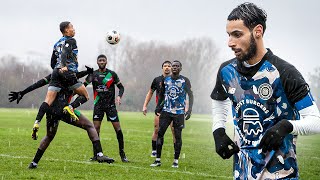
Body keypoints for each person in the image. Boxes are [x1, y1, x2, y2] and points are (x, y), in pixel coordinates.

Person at [211, 2, 320, 179]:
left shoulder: (284, 72)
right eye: (229, 35)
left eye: (237, 35)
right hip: (242, 173)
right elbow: (219, 99)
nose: (230, 42)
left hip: (282, 174)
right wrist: (218, 130)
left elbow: (316, 121)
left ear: (258, 31)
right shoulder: (226, 71)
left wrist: (287, 126)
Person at [9, 70, 114, 169]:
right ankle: (99, 154)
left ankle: (34, 162)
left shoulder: (54, 75)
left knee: (49, 136)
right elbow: (77, 79)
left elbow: (38, 84)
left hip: (51, 109)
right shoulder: (70, 76)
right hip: (64, 109)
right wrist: (88, 73)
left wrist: (22, 92)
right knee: (89, 126)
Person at [32, 21, 90, 139]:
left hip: (55, 73)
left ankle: (37, 121)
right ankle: (71, 107)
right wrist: (64, 66)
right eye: (72, 27)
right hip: (68, 71)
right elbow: (64, 52)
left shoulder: (56, 43)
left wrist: (58, 70)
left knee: (47, 101)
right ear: (66, 30)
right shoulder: (71, 40)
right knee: (85, 95)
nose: (74, 29)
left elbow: (52, 62)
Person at [82, 54, 128, 162]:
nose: (102, 62)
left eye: (103, 60)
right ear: (97, 62)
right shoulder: (93, 74)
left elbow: (121, 87)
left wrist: (118, 96)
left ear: (106, 62)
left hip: (110, 106)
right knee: (95, 130)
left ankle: (122, 154)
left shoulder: (112, 74)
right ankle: (96, 155)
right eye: (100, 60)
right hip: (98, 105)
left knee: (118, 130)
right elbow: (83, 85)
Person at [150, 60, 193, 168]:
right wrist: (159, 106)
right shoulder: (166, 79)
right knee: (160, 133)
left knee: (178, 136)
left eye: (177, 66)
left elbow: (191, 95)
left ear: (180, 68)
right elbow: (161, 94)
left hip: (179, 113)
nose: (174, 67)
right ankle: (158, 160)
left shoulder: (185, 80)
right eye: (173, 66)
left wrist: (189, 110)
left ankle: (175, 161)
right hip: (166, 112)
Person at [142, 61, 176, 157]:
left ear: (171, 68)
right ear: (162, 68)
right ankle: (154, 150)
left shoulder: (176, 80)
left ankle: (175, 151)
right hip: (160, 109)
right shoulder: (157, 80)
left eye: (169, 66)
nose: (167, 68)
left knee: (174, 130)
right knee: (157, 129)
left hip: (173, 109)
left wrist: (185, 107)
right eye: (165, 66)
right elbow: (150, 92)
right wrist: (145, 105)